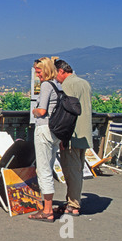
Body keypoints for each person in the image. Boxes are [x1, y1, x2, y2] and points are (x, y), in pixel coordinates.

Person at [53, 59, 93, 216]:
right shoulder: (84, 83)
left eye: (56, 74)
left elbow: (67, 113)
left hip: (73, 134)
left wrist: (63, 137)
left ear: (61, 71)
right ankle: (72, 200)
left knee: (71, 170)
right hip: (84, 134)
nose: (56, 78)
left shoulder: (68, 85)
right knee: (78, 169)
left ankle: (73, 205)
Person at [28, 57, 61, 222]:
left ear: (46, 70)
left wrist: (34, 111)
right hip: (55, 131)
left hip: (44, 129)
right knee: (48, 167)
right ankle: (47, 207)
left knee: (43, 170)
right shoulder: (57, 85)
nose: (37, 74)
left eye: (39, 71)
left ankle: (47, 210)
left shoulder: (46, 85)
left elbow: (41, 111)